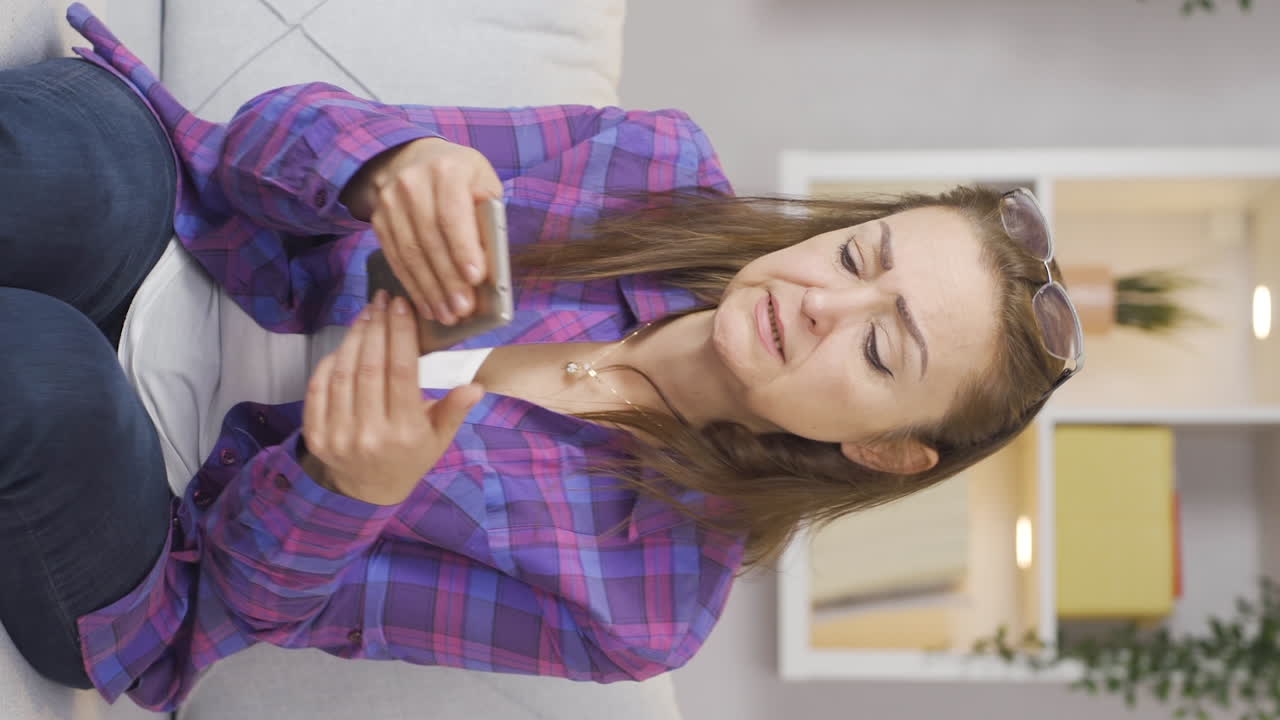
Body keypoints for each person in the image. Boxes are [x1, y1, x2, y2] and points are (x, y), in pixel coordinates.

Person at [0, 4, 1083, 712]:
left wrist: (341, 490)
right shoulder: (648, 164)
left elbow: (233, 604)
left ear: (886, 450)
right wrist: (386, 164)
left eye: (880, 346)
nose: (819, 303)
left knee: (48, 373)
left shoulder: (639, 602)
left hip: (156, 522)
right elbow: (252, 150)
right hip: (183, 234)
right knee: (78, 160)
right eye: (857, 255)